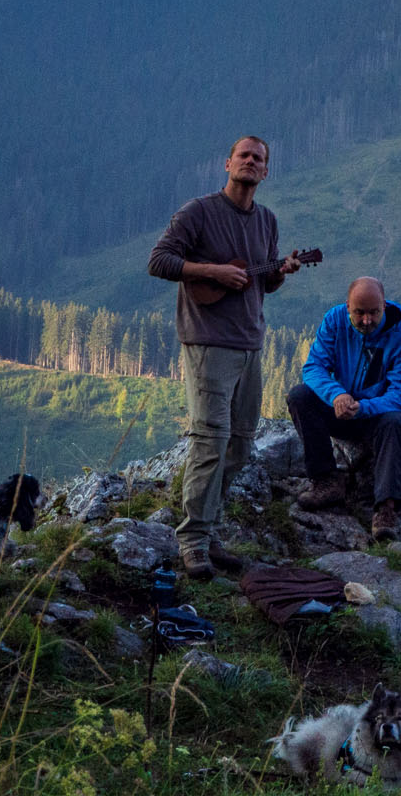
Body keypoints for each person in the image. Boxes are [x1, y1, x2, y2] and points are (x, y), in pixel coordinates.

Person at [147, 135, 304, 581]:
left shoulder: (267, 221)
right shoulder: (198, 212)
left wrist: (280, 272)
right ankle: (193, 541)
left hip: (250, 345)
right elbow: (159, 261)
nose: (251, 163)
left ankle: (211, 529)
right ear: (228, 164)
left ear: (266, 171)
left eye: (260, 159)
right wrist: (211, 270)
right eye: (245, 156)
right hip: (208, 342)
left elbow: (261, 283)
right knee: (209, 439)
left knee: (239, 443)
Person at [286, 277, 401, 540]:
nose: (367, 320)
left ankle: (386, 509)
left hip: (377, 417)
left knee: (395, 421)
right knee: (300, 396)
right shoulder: (334, 321)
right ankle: (326, 480)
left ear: (384, 306)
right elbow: (313, 368)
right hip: (342, 408)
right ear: (348, 307)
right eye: (359, 313)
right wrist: (337, 395)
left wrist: (363, 407)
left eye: (374, 313)